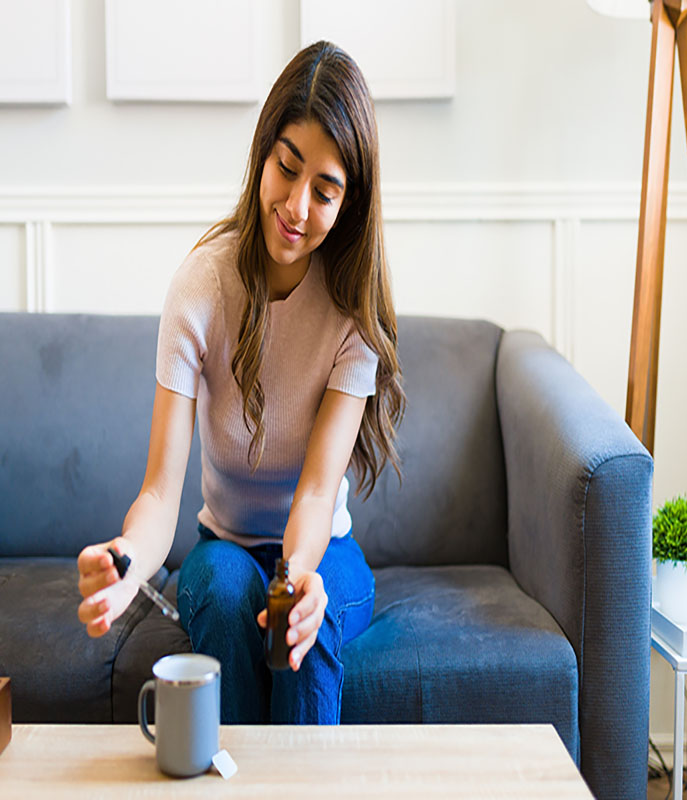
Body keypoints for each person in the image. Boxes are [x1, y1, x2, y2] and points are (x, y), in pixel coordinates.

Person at [76, 40, 405, 725]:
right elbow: (161, 492)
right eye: (286, 169)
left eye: (325, 189)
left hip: (324, 549)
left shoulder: (352, 316)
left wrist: (300, 576)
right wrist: (127, 562)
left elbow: (317, 491)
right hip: (222, 545)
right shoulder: (202, 285)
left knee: (300, 632)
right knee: (227, 597)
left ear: (352, 201)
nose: (295, 205)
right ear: (263, 153)